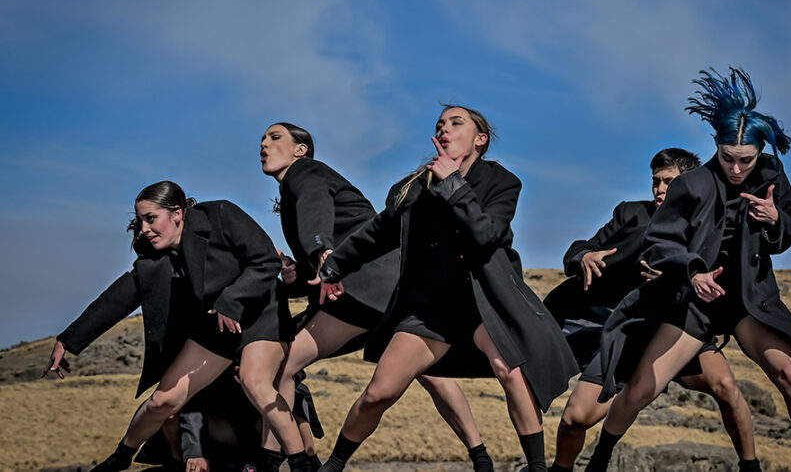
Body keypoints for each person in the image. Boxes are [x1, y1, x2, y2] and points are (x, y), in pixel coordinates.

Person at [590, 68, 791, 471]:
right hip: (693, 301)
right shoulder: (692, 185)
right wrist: (694, 272)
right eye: (727, 158)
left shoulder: (772, 177)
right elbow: (659, 243)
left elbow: (785, 236)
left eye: (745, 160)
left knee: (790, 375)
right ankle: (599, 461)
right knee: (640, 390)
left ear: (760, 152)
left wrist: (775, 220)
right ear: (716, 147)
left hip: (747, 301)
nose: (736, 169)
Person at [314, 105, 579, 472]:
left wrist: (453, 183)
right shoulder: (413, 187)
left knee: (511, 370)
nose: (444, 129)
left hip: (484, 304)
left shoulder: (502, 182)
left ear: (480, 140)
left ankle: (537, 467)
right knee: (379, 393)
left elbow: (486, 235)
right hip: (430, 310)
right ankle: (333, 465)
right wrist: (332, 267)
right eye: (440, 124)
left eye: (456, 123)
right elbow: (376, 234)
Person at [258, 123, 494, 472]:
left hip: (362, 289)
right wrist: (297, 273)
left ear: (300, 149)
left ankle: (284, 461)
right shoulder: (301, 183)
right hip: (386, 289)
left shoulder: (305, 172)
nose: (264, 144)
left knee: (280, 365)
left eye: (275, 137)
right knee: (429, 373)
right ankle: (481, 457)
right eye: (262, 140)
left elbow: (315, 209)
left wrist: (320, 251)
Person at [42, 181, 302, 471]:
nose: (144, 228)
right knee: (162, 402)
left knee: (256, 383)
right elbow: (115, 300)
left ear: (177, 213)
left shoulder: (220, 215)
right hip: (217, 331)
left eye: (151, 218)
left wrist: (231, 301)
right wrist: (68, 340)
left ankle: (304, 463)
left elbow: (265, 261)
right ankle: (121, 456)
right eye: (140, 221)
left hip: (260, 318)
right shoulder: (156, 258)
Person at [545, 148, 760, 472]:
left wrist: (680, 276)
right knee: (576, 418)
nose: (660, 189)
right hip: (629, 331)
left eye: (669, 182)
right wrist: (585, 256)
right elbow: (582, 248)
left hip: (682, 328)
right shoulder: (631, 213)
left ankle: (751, 466)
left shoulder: (710, 224)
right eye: (656, 181)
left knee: (726, 387)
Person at [133, 367, 323, 472]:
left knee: (291, 398)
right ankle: (179, 465)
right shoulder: (209, 349)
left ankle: (310, 462)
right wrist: (194, 452)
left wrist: (257, 373)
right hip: (217, 427)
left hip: (260, 430)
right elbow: (190, 400)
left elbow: (295, 374)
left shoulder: (268, 333)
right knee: (171, 406)